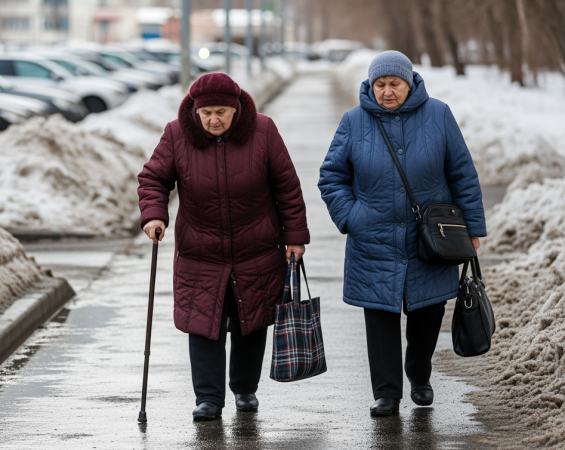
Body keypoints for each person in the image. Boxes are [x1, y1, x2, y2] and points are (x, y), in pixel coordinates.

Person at [318, 51, 486, 416]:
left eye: (394, 84)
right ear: (370, 85)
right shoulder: (353, 121)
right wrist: (352, 216)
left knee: (427, 314)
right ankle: (387, 393)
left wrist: (472, 228)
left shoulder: (439, 115)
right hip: (372, 239)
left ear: (409, 83)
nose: (387, 92)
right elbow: (331, 177)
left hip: (431, 240)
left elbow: (462, 174)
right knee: (379, 318)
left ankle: (420, 375)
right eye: (380, 84)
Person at [138, 72, 310, 421]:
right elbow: (153, 178)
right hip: (200, 251)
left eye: (221, 112)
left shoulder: (263, 131)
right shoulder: (177, 134)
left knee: (253, 321)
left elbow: (287, 187)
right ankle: (209, 399)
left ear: (235, 109)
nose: (213, 120)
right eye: (206, 113)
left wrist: (295, 237)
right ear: (195, 111)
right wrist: (153, 215)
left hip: (256, 247)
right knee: (203, 324)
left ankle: (245, 390)